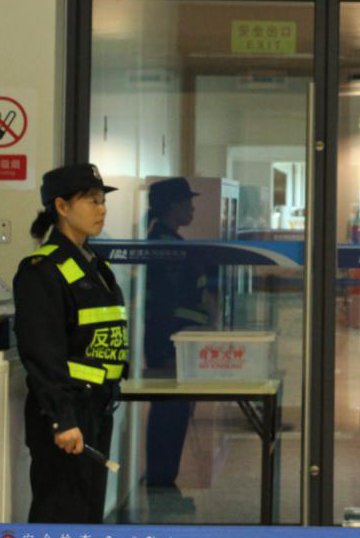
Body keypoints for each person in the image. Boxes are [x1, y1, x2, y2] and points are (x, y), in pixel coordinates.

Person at [13, 163, 126, 524]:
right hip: (67, 414)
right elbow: (41, 353)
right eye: (91, 201)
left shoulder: (95, 266)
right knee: (60, 514)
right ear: (61, 207)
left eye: (102, 201)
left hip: (96, 408)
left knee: (87, 516)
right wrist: (62, 418)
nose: (101, 209)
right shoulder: (41, 269)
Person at [143, 176, 206, 506]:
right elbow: (167, 305)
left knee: (174, 412)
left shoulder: (169, 241)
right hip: (170, 345)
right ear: (172, 206)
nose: (192, 208)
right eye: (187, 202)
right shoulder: (166, 248)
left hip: (177, 343)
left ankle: (165, 480)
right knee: (169, 413)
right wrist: (169, 349)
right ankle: (161, 482)